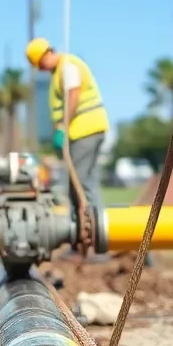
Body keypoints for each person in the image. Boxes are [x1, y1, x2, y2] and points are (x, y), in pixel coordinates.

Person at [26, 38, 109, 214]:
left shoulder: (67, 67)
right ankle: (92, 222)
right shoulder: (60, 70)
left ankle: (89, 224)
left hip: (85, 130)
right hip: (90, 129)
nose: (41, 69)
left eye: (40, 64)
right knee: (86, 181)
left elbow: (73, 93)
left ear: (46, 55)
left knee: (79, 183)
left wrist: (63, 126)